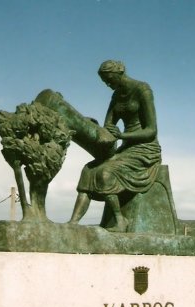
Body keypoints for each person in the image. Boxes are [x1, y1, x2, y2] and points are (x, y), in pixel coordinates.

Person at [68, 60, 162, 232]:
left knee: (105, 172)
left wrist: (122, 135)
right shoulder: (116, 96)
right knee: (88, 170)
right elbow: (107, 127)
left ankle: (120, 221)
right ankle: (73, 224)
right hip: (126, 148)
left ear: (120, 72)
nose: (108, 84)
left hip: (145, 148)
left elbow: (151, 130)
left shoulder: (142, 90)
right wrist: (90, 125)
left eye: (109, 79)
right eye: (105, 81)